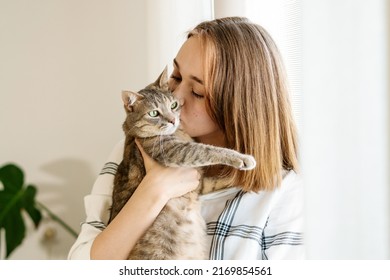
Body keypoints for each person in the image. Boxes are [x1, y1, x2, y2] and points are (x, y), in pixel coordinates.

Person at [68, 16, 304, 260]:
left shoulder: (285, 193)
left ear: (237, 106)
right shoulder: (130, 152)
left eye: (197, 92)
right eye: (177, 76)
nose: (176, 98)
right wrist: (154, 190)